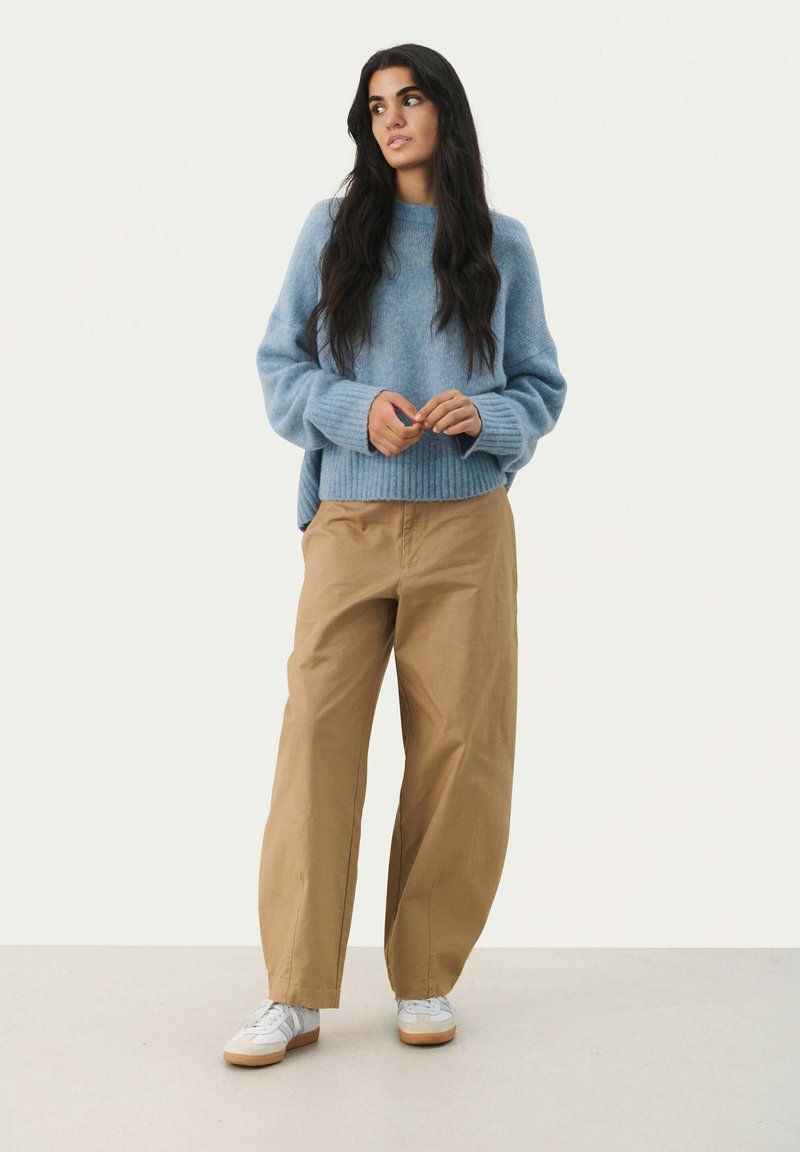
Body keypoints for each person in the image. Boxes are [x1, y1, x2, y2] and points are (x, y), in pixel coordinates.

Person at [223, 42, 568, 1068]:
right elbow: (280, 367)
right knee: (315, 745)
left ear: (444, 114)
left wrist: (489, 416)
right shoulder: (332, 232)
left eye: (409, 99)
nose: (391, 119)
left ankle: (424, 975)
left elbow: (540, 387)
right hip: (349, 524)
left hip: (466, 530)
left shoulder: (501, 245)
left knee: (461, 753)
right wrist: (353, 409)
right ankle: (293, 991)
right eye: (375, 106)